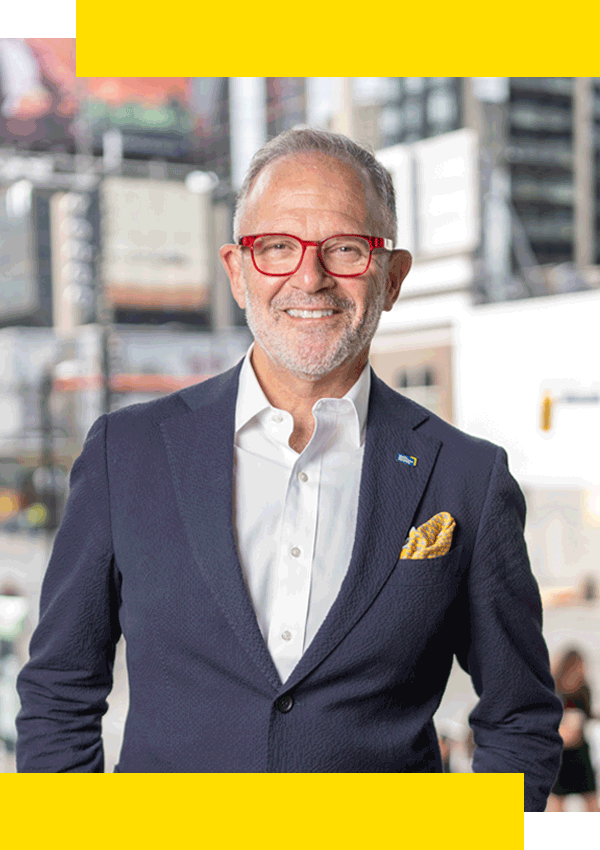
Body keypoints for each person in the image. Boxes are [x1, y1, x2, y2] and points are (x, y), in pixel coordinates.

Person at [16, 127, 562, 810]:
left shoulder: (467, 479)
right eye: (276, 247)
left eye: (345, 248)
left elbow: (519, 719)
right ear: (237, 272)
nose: (309, 278)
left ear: (391, 278)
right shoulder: (125, 453)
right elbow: (59, 694)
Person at [547, 648, 599, 811]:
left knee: (591, 800)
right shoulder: (554, 691)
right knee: (557, 802)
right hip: (560, 753)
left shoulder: (584, 689)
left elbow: (587, 714)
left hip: (580, 751)